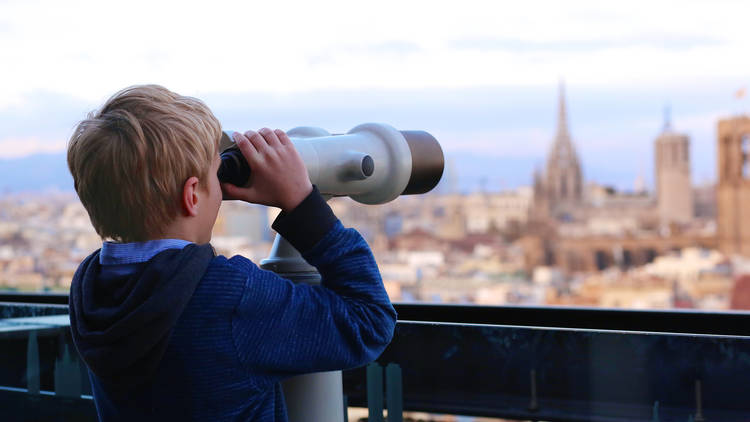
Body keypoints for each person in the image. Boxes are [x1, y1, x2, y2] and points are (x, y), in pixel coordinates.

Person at [66, 85, 397, 421]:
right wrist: (302, 204)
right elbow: (369, 322)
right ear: (192, 195)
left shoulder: (91, 290)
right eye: (216, 172)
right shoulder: (231, 298)